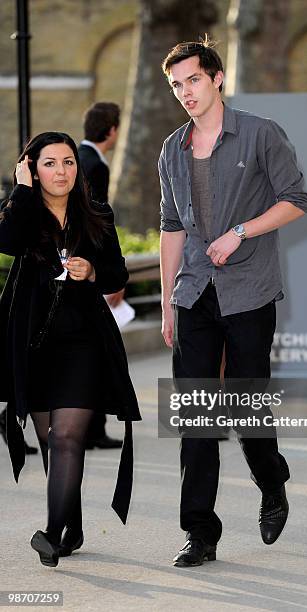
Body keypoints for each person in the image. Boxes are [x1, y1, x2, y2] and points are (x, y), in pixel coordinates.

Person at [159, 38, 307, 567]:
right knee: (196, 418)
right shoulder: (171, 149)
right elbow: (172, 227)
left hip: (248, 291)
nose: (186, 92)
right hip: (194, 293)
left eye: (193, 80)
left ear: (217, 78)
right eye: (177, 85)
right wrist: (166, 303)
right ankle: (200, 532)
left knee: (247, 410)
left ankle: (271, 478)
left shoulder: (260, 133)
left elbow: (296, 200)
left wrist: (240, 232)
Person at [0, 132, 140, 567]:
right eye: (49, 163)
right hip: (33, 343)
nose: (61, 171)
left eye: (68, 162)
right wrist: (22, 190)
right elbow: (5, 243)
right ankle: (72, 527)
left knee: (66, 437)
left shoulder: (95, 211)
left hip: (83, 341)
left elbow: (117, 274)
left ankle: (52, 533)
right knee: (48, 441)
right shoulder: (23, 210)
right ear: (32, 168)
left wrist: (93, 269)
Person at [78, 101, 124, 449]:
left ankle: (93, 428)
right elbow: (96, 226)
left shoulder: (78, 157)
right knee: (93, 351)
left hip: (78, 270)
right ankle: (93, 429)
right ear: (111, 130)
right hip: (87, 274)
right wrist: (105, 275)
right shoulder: (95, 165)